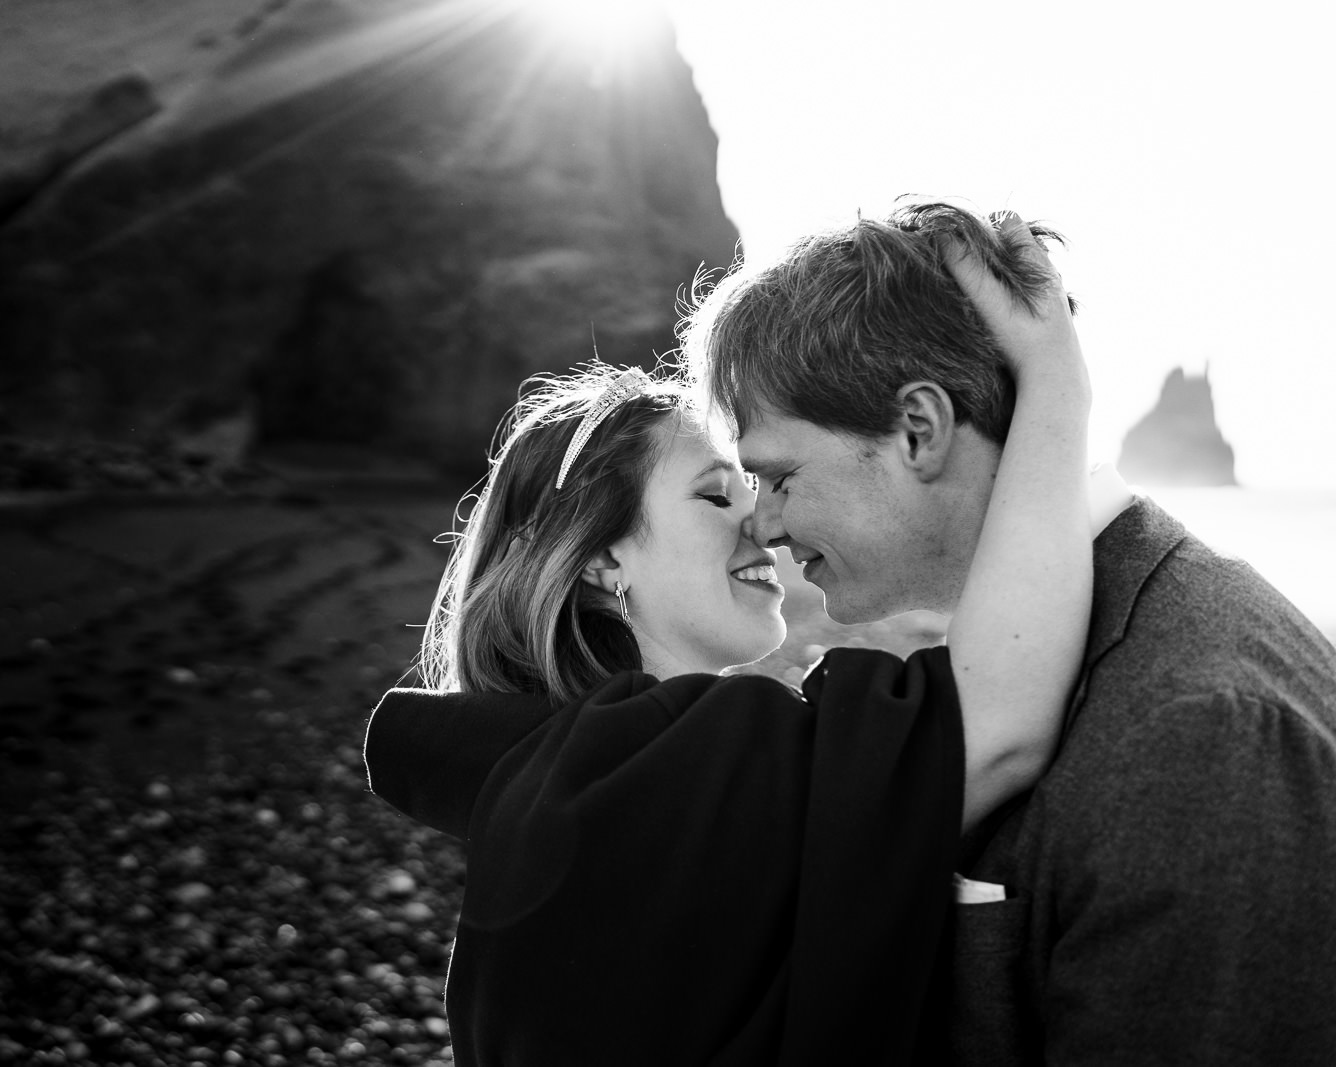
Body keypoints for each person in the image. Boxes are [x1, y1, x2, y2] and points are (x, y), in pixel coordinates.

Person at [365, 214, 1093, 1064]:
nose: (765, 520)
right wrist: (1055, 379)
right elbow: (999, 718)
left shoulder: (569, 779)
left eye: (764, 481)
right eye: (719, 495)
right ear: (603, 558)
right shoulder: (671, 767)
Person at [681, 200, 1336, 1065]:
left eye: (782, 477)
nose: (762, 525)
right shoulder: (1035, 650)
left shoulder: (1203, 732)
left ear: (919, 430)